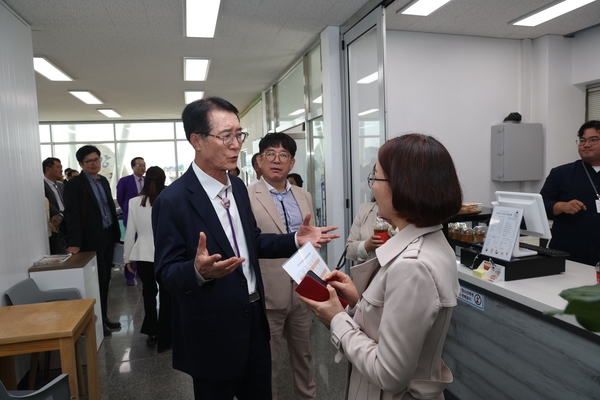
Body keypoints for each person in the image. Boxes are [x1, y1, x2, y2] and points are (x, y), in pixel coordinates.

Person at [151, 97, 339, 400]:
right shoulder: (173, 201)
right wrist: (197, 271)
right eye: (226, 136)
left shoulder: (237, 187)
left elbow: (253, 241)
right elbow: (165, 272)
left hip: (255, 318)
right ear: (196, 140)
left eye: (239, 134)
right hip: (212, 329)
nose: (236, 144)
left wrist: (294, 240)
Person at [300, 133, 462, 400]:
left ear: (402, 186)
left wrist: (337, 319)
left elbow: (390, 374)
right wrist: (358, 302)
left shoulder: (413, 267)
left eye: (375, 177)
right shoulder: (433, 240)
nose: (372, 186)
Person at [248, 133, 316, 399]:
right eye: (270, 154)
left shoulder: (304, 195)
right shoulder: (246, 196)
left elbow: (307, 238)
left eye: (284, 155)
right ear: (260, 160)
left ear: (292, 163)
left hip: (302, 290)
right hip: (268, 290)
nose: (277, 160)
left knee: (304, 356)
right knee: (269, 362)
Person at [64, 145, 122, 337]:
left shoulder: (103, 181)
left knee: (106, 280)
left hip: (106, 237)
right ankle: (97, 322)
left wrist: (115, 235)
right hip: (89, 240)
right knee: (97, 281)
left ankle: (103, 317)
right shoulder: (75, 184)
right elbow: (71, 214)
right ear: (81, 164)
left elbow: (109, 210)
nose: (94, 163)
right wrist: (75, 242)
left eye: (96, 159)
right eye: (89, 161)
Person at [123, 166, 172, 352]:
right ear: (164, 179)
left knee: (149, 292)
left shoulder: (135, 202)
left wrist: (128, 258)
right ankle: (168, 332)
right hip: (166, 253)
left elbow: (130, 232)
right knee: (168, 294)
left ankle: (152, 332)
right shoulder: (169, 199)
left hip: (143, 254)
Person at [540, 120, 600, 265]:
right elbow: (540, 206)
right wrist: (561, 206)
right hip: (568, 255)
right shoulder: (561, 173)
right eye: (582, 140)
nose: (586, 144)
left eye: (593, 140)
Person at [117, 157, 146, 285]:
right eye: (139, 165)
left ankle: (141, 272)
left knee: (142, 244)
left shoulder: (147, 181)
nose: (142, 167)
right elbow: (120, 198)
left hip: (144, 219)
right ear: (133, 167)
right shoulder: (125, 181)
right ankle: (129, 275)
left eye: (144, 165)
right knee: (130, 244)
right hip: (130, 217)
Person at [43, 157, 67, 254]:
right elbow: (48, 206)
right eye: (58, 167)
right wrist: (62, 216)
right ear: (48, 169)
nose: (61, 169)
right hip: (54, 225)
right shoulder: (41, 186)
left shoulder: (61, 185)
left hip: (66, 224)